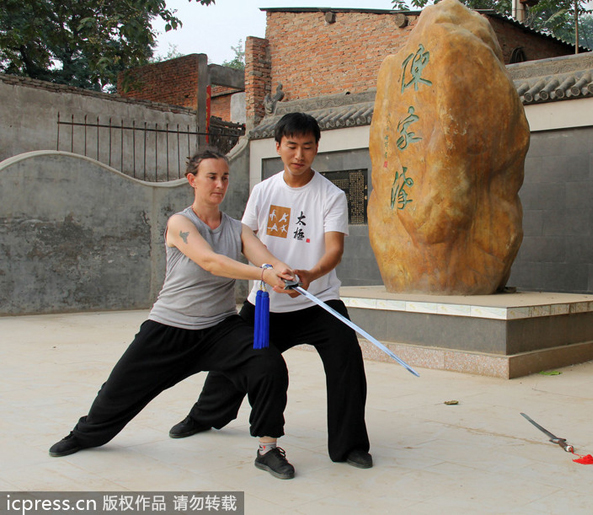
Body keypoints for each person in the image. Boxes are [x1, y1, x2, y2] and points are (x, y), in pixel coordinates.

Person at [48, 149, 298, 480]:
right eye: (212, 177)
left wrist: (282, 272)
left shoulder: (237, 229)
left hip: (219, 329)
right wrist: (264, 275)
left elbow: (263, 256)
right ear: (192, 180)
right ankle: (85, 434)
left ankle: (268, 449)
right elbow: (211, 262)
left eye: (225, 177)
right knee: (118, 391)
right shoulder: (179, 223)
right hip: (169, 328)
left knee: (267, 362)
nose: (220, 184)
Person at [169, 112, 372, 469]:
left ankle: (350, 445)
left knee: (347, 360)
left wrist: (310, 274)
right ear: (278, 146)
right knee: (236, 362)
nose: (299, 155)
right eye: (291, 146)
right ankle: (204, 416)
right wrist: (264, 274)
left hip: (318, 299)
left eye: (307, 147)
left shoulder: (331, 195)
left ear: (316, 149)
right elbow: (246, 240)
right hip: (266, 301)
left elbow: (334, 250)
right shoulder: (264, 191)